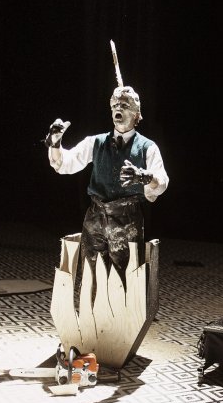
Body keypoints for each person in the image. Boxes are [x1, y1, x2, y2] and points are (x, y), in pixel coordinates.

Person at [46, 86, 169, 280]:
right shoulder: (95, 142)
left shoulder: (148, 147)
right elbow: (64, 164)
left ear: (136, 114)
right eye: (115, 105)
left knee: (124, 279)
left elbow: (162, 182)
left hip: (127, 220)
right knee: (91, 276)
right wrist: (55, 144)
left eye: (124, 105)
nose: (118, 108)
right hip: (95, 218)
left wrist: (144, 176)